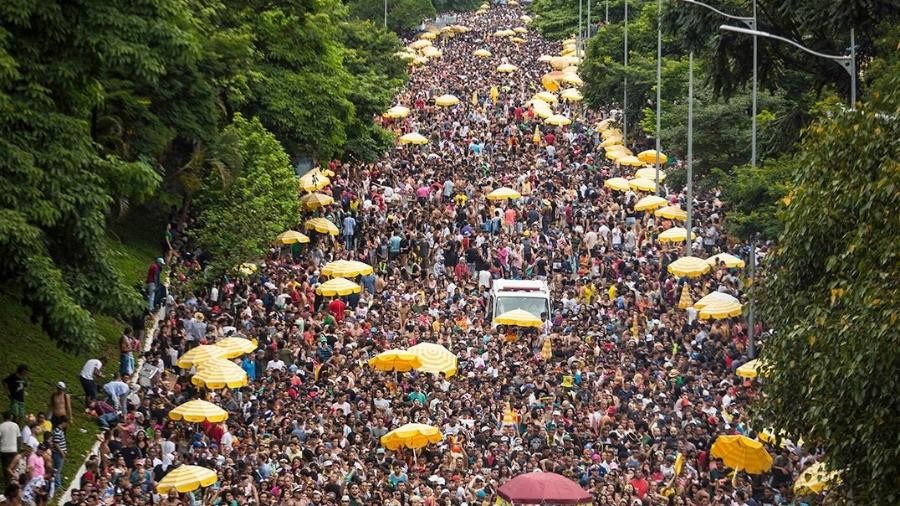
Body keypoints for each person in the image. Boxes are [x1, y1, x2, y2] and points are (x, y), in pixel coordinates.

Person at [0, 413, 20, 486]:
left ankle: (7, 484)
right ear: (11, 417)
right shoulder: (15, 425)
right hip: (13, 450)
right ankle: (14, 483)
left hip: (4, 450)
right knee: (13, 468)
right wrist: (18, 448)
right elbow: (19, 438)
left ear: (3, 417)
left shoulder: (1, 426)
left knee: (6, 468)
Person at [49, 417, 67, 491]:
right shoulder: (57, 431)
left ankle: (58, 484)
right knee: (57, 470)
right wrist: (62, 452)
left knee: (58, 470)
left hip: (59, 454)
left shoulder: (59, 431)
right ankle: (57, 485)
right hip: (58, 454)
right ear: (63, 422)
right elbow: (56, 444)